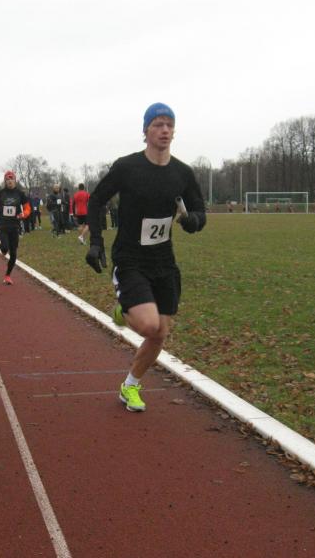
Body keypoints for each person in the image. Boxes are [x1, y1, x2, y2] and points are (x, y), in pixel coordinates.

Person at [85, 102, 206, 412]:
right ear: (146, 130)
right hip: (130, 258)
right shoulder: (127, 167)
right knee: (149, 325)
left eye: (169, 125)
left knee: (160, 332)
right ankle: (123, 310)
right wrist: (96, 242)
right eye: (158, 124)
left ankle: (130, 386)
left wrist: (193, 221)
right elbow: (96, 201)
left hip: (163, 261)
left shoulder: (182, 173)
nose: (165, 130)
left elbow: (199, 212)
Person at [0, 171, 30, 285]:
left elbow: (27, 208)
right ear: (5, 181)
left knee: (13, 254)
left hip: (15, 225)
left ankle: (7, 276)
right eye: (7, 179)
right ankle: (1, 244)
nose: (10, 181)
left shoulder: (20, 194)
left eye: (11, 179)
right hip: (2, 225)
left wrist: (24, 214)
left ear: (15, 180)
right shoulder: (0, 194)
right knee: (4, 249)